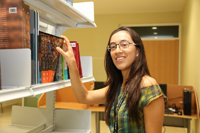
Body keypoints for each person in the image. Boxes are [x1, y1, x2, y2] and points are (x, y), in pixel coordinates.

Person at [56, 26, 165, 133]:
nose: (117, 50)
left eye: (124, 45)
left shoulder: (148, 86)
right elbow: (84, 97)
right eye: (113, 47)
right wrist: (72, 64)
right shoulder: (119, 86)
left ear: (138, 51)